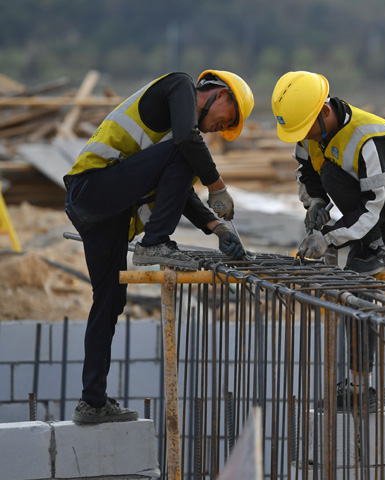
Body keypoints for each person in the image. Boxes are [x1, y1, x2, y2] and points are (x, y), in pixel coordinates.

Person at [63, 70, 254, 424]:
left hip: (106, 214)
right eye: (224, 120)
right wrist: (217, 185)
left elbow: (178, 186)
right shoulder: (178, 85)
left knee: (109, 301)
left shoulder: (180, 137)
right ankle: (155, 243)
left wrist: (217, 227)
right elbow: (186, 142)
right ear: (221, 95)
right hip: (91, 188)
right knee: (189, 148)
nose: (217, 129)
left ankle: (92, 401)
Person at [270, 70, 385, 410]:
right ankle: (360, 384)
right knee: (353, 295)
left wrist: (328, 238)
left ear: (324, 112)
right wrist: (315, 205)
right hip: (370, 212)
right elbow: (306, 172)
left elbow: (377, 206)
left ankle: (375, 250)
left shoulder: (369, 138)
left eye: (307, 130)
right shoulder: (311, 132)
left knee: (332, 174)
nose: (305, 138)